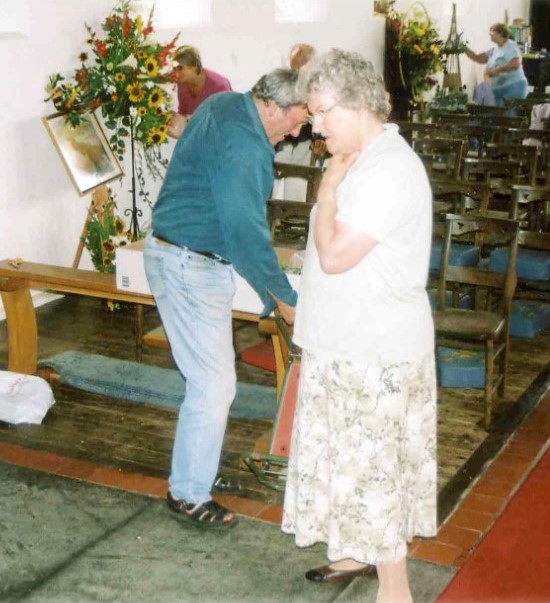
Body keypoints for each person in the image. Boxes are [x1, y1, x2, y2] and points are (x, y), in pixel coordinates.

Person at [278, 49, 437, 603]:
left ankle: (396, 590)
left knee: (375, 473)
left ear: (359, 104)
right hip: (348, 341)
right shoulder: (361, 159)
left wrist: (323, 194)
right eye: (312, 115)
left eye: (322, 114)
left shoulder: (387, 169)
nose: (314, 128)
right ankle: (352, 552)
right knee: (347, 462)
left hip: (375, 352)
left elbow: (338, 253)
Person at [144, 68, 307, 528]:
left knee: (209, 379)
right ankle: (188, 493)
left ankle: (199, 471)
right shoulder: (248, 147)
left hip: (181, 254)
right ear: (272, 105)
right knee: (214, 384)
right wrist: (282, 296)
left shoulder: (223, 104)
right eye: (297, 119)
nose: (299, 131)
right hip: (188, 263)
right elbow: (244, 232)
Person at [273, 43, 327, 201]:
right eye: (292, 68)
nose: (295, 73)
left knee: (297, 184)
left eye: (299, 69)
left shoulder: (320, 88)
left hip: (308, 143)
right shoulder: (283, 85)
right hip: (283, 141)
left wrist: (320, 142)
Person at [167, 45, 232, 138]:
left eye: (180, 68)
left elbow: (225, 120)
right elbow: (183, 111)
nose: (176, 73)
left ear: (194, 66)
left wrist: (193, 119)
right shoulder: (182, 83)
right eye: (174, 69)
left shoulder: (219, 85)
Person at [465, 23, 529, 106]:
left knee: (510, 115)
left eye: (492, 32)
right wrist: (463, 48)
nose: (489, 34)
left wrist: (496, 70)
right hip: (499, 89)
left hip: (513, 86)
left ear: (500, 33)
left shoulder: (510, 46)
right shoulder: (495, 50)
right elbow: (478, 58)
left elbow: (515, 64)